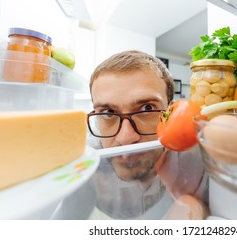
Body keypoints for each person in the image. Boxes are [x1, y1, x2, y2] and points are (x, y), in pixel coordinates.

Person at [54, 50, 208, 220]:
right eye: (108, 112)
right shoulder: (83, 166)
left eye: (147, 109)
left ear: (171, 111)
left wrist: (195, 207)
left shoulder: (198, 160)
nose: (126, 138)